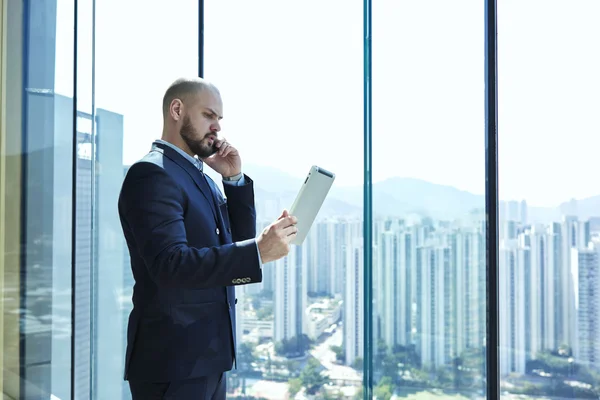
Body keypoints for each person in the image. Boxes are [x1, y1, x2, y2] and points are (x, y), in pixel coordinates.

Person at [118, 77, 297, 399]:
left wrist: (233, 178)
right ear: (177, 109)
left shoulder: (199, 176)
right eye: (208, 115)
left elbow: (234, 244)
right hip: (172, 361)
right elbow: (169, 265)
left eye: (219, 119)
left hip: (207, 358)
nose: (216, 127)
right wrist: (257, 251)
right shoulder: (152, 174)